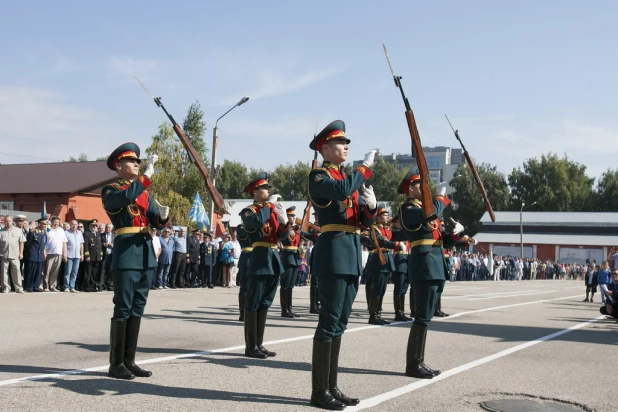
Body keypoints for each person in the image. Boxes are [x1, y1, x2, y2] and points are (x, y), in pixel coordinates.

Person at [307, 120, 378, 410]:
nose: (346, 147)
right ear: (324, 148)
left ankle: (332, 386)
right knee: (328, 323)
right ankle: (318, 391)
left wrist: (371, 209)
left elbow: (361, 220)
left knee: (339, 324)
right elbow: (342, 191)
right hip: (333, 253)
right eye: (340, 143)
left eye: (347, 143)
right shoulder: (319, 177)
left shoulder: (344, 179)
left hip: (349, 253)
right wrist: (363, 169)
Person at [102, 142, 169, 380]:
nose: (137, 165)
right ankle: (115, 363)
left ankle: (129, 360)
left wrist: (163, 216)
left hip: (145, 253)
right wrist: (146, 179)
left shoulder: (142, 192)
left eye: (138, 162)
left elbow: (154, 221)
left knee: (138, 307)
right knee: (123, 306)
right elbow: (125, 198)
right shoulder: (110, 191)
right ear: (118, 166)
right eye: (132, 162)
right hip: (127, 253)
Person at [397, 168, 463, 379]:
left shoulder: (426, 209)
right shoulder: (408, 208)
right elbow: (431, 212)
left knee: (426, 317)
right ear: (410, 188)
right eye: (419, 185)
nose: (423, 188)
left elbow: (441, 239)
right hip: (424, 264)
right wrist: (441, 199)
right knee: (422, 317)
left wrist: (454, 234)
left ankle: (419, 361)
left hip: (435, 264)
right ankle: (413, 364)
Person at [240, 172, 291, 359]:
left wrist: (284, 222)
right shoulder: (249, 211)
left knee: (265, 303)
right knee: (253, 303)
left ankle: (259, 344)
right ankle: (250, 346)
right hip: (260, 257)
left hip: (273, 258)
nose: (268, 191)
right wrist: (269, 206)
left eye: (268, 188)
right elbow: (256, 223)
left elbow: (282, 237)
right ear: (255, 192)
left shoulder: (270, 211)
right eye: (264, 188)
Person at [366, 204, 401, 324]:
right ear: (378, 217)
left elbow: (400, 235)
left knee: (382, 289)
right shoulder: (374, 228)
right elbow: (380, 241)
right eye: (384, 215)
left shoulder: (387, 229)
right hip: (378, 259)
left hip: (386, 259)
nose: (387, 217)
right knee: (376, 289)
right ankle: (373, 316)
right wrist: (395, 245)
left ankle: (378, 314)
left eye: (387, 215)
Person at [280, 206, 302, 318]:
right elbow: (282, 236)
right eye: (291, 216)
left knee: (291, 285)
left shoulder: (296, 229)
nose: (293, 217)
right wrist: (288, 227)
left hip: (296, 258)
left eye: (293, 216)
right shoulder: (284, 228)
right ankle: (284, 310)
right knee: (285, 285)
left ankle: (289, 308)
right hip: (288, 257)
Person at [25, 218, 48, 292]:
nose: (45, 226)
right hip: (33, 255)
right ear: (39, 224)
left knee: (38, 272)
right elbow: (28, 244)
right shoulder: (32, 232)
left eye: (45, 224)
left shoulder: (44, 233)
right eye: (43, 224)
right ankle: (29, 286)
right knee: (31, 271)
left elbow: (44, 245)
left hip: (40, 255)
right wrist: (29, 253)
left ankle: (36, 286)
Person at [235, 224, 252, 321]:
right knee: (244, 288)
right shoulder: (241, 228)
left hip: (254, 259)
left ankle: (250, 311)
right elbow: (242, 233)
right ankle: (243, 313)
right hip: (246, 260)